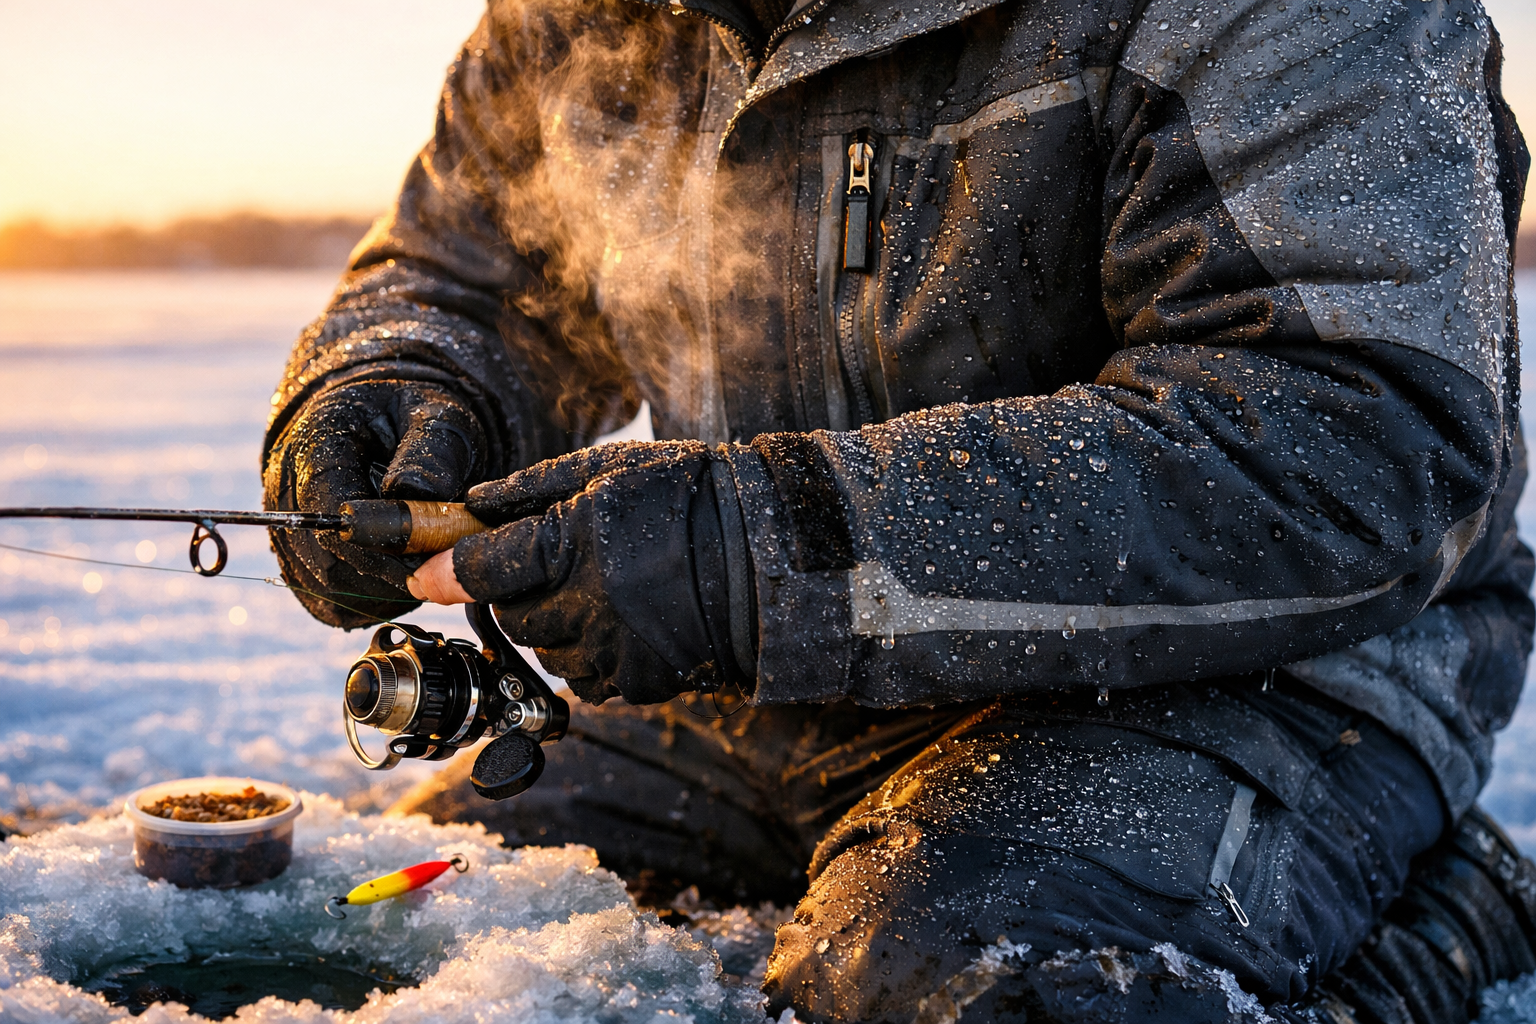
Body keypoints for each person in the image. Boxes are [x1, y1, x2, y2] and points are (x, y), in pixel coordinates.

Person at [263, 0, 1536, 1018]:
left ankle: (1447, 925)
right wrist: (396, 389)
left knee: (960, 984)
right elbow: (465, 285)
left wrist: (761, 552)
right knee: (431, 922)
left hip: (1271, 673)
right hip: (769, 672)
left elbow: (1354, 441)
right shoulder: (573, 21)